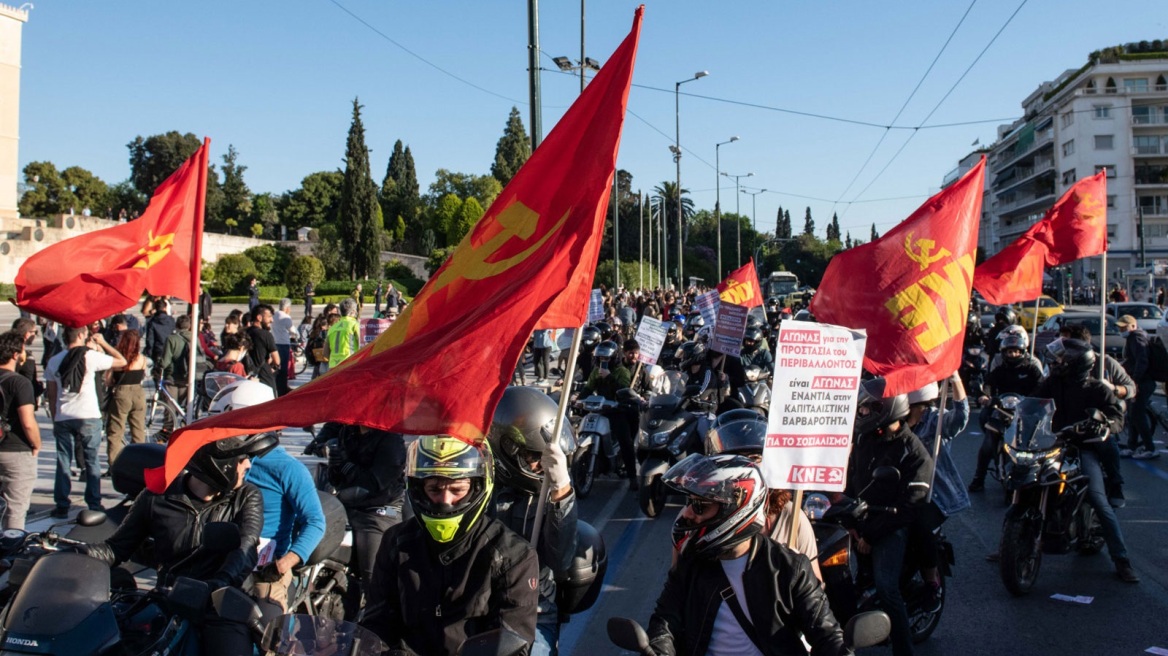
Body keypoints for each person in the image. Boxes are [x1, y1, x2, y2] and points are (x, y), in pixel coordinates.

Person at [84, 432, 275, 652]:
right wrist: (76, 553)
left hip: (221, 605)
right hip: (169, 599)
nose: (248, 465)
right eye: (241, 459)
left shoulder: (246, 496)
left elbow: (246, 546)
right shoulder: (155, 496)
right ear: (219, 464)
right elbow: (116, 548)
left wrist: (220, 583)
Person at [647, 453, 850, 656]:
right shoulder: (691, 564)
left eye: (700, 505)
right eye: (689, 502)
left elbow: (827, 634)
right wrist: (659, 649)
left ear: (735, 508)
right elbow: (665, 622)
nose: (687, 513)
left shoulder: (790, 568)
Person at [361, 436, 539, 653]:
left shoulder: (513, 556)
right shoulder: (397, 542)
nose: (445, 501)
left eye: (457, 490)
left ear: (477, 487)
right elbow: (376, 626)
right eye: (434, 490)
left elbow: (512, 643)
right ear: (418, 488)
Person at [212, 381, 325, 612]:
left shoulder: (289, 469)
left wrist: (283, 564)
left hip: (263, 573)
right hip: (220, 562)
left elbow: (315, 521)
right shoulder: (221, 462)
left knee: (264, 628)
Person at [1037, 337, 1139, 583]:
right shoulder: (1052, 383)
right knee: (1021, 481)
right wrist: (1013, 409)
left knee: (1098, 500)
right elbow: (1031, 401)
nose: (1056, 364)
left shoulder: (1098, 389)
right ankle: (1009, 545)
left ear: (1075, 365)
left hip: (1081, 448)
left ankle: (1122, 560)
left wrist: (1104, 424)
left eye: (1061, 361)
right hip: (1050, 446)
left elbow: (1117, 417)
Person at [845, 377, 934, 656]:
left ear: (886, 409)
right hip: (860, 518)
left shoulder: (914, 452)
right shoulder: (864, 438)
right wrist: (847, 518)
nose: (862, 413)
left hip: (891, 525)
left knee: (886, 588)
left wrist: (872, 535)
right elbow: (851, 479)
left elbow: (909, 507)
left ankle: (904, 650)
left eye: (867, 408)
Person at [487, 387, 579, 654]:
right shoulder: (481, 487)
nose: (543, 465)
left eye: (547, 457)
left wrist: (561, 490)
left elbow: (560, 559)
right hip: (479, 605)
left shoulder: (554, 494)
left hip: (535, 610)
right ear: (507, 448)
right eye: (535, 457)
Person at [313, 421, 407, 596]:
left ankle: (376, 607)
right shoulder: (347, 431)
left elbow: (376, 482)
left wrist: (347, 466)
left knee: (375, 578)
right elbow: (336, 478)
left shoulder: (391, 440)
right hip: (346, 504)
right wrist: (326, 447)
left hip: (380, 510)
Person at [46, 324, 126, 517]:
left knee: (63, 460)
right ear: (81, 335)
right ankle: (94, 503)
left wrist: (55, 417)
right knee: (92, 461)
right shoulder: (90, 356)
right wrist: (103, 342)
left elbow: (52, 394)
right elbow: (121, 361)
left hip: (64, 415)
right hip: (88, 414)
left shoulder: (54, 360)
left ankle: (62, 504)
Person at [905, 374, 969, 612]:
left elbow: (960, 418)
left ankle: (932, 583)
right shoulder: (895, 418)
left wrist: (956, 380)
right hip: (901, 492)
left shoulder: (934, 420)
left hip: (934, 495)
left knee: (920, 526)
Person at [969, 329, 1044, 491]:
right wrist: (984, 396)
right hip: (1002, 411)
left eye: (1016, 351)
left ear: (1023, 352)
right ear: (1004, 353)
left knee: (1037, 442)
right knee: (988, 443)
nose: (1013, 354)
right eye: (1010, 351)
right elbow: (988, 385)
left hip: (1025, 413)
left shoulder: (1031, 370)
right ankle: (978, 478)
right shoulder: (999, 371)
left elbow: (1041, 387)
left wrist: (1033, 399)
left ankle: (1038, 475)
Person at [581, 340, 638, 490]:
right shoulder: (596, 371)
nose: (603, 361)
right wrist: (577, 399)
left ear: (614, 358)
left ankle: (632, 477)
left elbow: (623, 390)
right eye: (601, 358)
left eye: (606, 358)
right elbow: (588, 388)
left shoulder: (622, 372)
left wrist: (608, 377)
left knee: (626, 442)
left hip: (617, 410)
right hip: (600, 410)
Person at [0, 331, 41, 530]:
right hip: (15, 448)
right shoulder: (19, 382)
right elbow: (28, 422)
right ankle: (11, 546)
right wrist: (36, 444)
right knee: (15, 508)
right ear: (16, 354)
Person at [1116, 314, 1160, 460]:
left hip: (1142, 383)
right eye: (1120, 327)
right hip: (1140, 382)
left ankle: (1150, 448)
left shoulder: (1136, 338)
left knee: (1137, 415)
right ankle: (1131, 446)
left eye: (1124, 327)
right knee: (1132, 415)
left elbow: (1142, 361)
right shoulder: (1134, 337)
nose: (1121, 330)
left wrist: (1135, 381)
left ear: (1133, 326)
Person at [104, 330, 147, 465]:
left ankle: (114, 464)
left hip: (122, 393)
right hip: (138, 393)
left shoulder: (118, 360)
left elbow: (108, 381)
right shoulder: (142, 358)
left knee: (115, 431)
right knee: (138, 430)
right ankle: (139, 463)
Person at [245, 304, 280, 392]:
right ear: (259, 318)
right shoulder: (266, 335)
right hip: (264, 375)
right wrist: (274, 368)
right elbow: (277, 360)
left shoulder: (244, 332)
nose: (271, 320)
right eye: (269, 317)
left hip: (247, 375)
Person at [10, 318, 42, 408]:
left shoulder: (6, 352)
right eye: (35, 332)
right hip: (22, 404)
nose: (35, 335)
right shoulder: (27, 358)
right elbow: (30, 383)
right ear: (27, 334)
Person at [325, 298, 361, 370]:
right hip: (350, 364)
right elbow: (361, 345)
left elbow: (325, 353)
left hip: (333, 366)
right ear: (353, 311)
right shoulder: (354, 325)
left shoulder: (332, 328)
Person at [143, 298, 176, 375]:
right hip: (170, 348)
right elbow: (174, 333)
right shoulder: (171, 320)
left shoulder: (152, 321)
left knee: (157, 372)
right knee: (169, 372)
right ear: (165, 308)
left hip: (157, 349)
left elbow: (150, 339)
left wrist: (149, 353)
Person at [272, 299, 296, 396]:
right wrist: (296, 336)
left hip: (274, 343)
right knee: (283, 368)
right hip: (283, 344)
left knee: (276, 367)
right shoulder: (286, 317)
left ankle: (277, 387)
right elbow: (293, 331)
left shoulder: (274, 315)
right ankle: (282, 389)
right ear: (287, 308)